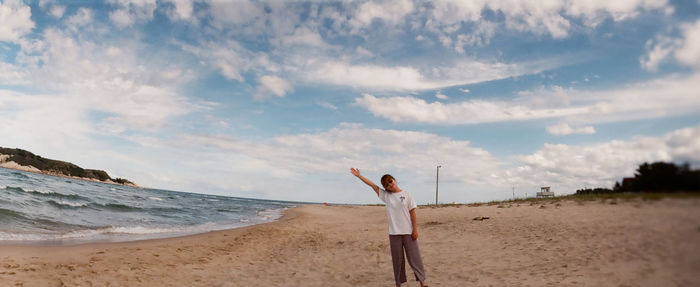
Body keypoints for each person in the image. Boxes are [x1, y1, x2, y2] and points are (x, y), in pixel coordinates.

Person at [350, 168, 428, 287]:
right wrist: (359, 176)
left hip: (408, 233)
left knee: (415, 259)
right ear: (385, 188)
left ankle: (423, 283)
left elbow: (412, 213)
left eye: (390, 182)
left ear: (394, 180)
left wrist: (415, 230)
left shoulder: (407, 194)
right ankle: (398, 284)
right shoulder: (386, 196)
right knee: (397, 261)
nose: (390, 185)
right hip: (394, 234)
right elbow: (372, 185)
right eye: (387, 185)